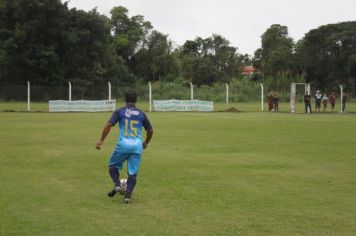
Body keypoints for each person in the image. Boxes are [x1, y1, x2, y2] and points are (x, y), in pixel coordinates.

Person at [96, 91, 154, 204]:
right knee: (132, 173)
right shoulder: (141, 114)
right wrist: (146, 142)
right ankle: (127, 197)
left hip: (123, 145)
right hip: (137, 146)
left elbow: (109, 125)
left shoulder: (120, 111)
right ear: (136, 100)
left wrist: (101, 140)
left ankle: (117, 185)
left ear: (125, 100)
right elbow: (150, 130)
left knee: (113, 166)